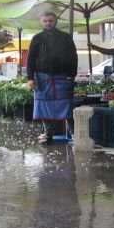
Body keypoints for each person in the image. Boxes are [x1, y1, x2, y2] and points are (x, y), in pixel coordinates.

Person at [27, 12, 78, 145]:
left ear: (55, 21)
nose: (48, 23)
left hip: (63, 77)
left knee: (66, 106)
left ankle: (74, 133)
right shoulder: (37, 38)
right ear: (41, 22)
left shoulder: (65, 37)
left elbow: (73, 56)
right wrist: (30, 78)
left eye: (50, 21)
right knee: (44, 106)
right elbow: (30, 59)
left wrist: (72, 74)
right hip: (42, 78)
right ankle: (47, 133)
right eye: (45, 21)